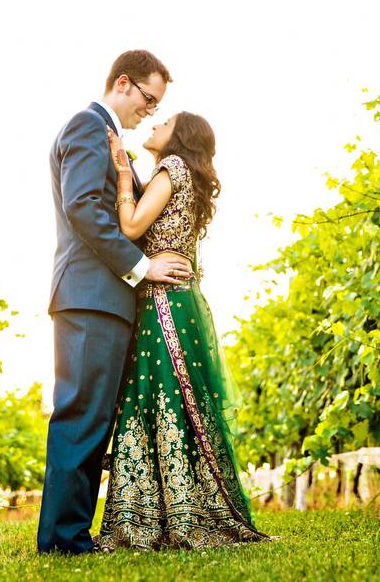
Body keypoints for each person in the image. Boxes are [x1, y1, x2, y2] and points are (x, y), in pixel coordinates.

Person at [39, 50, 192, 555]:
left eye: (156, 105)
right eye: (148, 99)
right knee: (79, 416)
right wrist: (143, 266)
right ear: (123, 83)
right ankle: (63, 541)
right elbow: (82, 207)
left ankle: (72, 534)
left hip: (103, 301)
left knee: (93, 420)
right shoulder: (87, 125)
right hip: (89, 298)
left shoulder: (113, 142)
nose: (148, 111)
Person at [97, 112, 269, 550]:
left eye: (166, 121)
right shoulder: (184, 174)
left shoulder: (170, 169)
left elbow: (132, 226)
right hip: (178, 299)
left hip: (165, 303)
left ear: (181, 138)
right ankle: (178, 512)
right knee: (175, 400)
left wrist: (121, 175)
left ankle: (160, 519)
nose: (155, 124)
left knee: (162, 399)